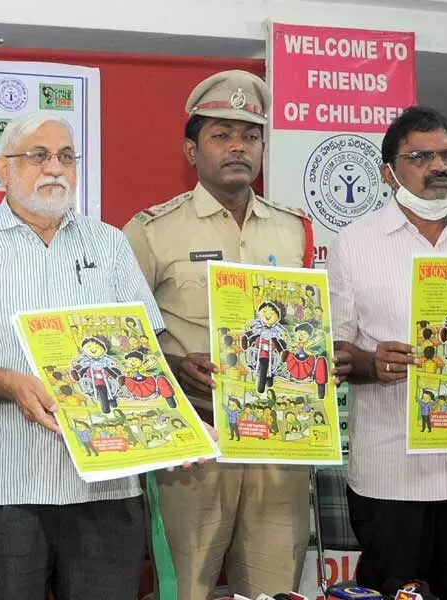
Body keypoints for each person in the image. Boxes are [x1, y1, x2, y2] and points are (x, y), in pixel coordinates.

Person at [122, 70, 347, 598]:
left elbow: (306, 324)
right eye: (221, 135)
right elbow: (121, 339)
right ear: (191, 149)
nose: (238, 146)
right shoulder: (152, 230)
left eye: (249, 136)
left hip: (280, 443)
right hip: (195, 444)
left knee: (273, 587)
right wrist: (173, 366)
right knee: (188, 587)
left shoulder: (293, 228)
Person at [0, 112, 166, 600]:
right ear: (3, 169)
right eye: (38, 155)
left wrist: (177, 427)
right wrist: (11, 384)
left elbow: (147, 352)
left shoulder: (111, 243)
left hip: (106, 489)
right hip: (0, 489)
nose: (54, 168)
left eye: (65, 157)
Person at [330, 106, 447, 600]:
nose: (440, 165)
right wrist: (372, 363)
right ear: (388, 171)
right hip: (394, 472)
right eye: (421, 156)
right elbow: (333, 351)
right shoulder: (355, 242)